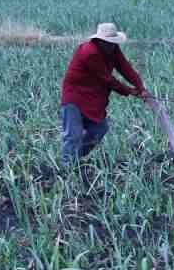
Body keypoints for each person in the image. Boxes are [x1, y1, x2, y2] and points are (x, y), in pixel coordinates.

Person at [59, 22, 151, 165]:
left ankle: (75, 159)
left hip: (92, 96)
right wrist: (131, 92)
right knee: (73, 135)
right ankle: (67, 168)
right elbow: (107, 80)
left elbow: (125, 68)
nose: (111, 45)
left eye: (112, 42)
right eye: (107, 42)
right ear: (99, 40)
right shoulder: (89, 52)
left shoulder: (113, 49)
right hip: (75, 95)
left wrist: (141, 87)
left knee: (99, 128)